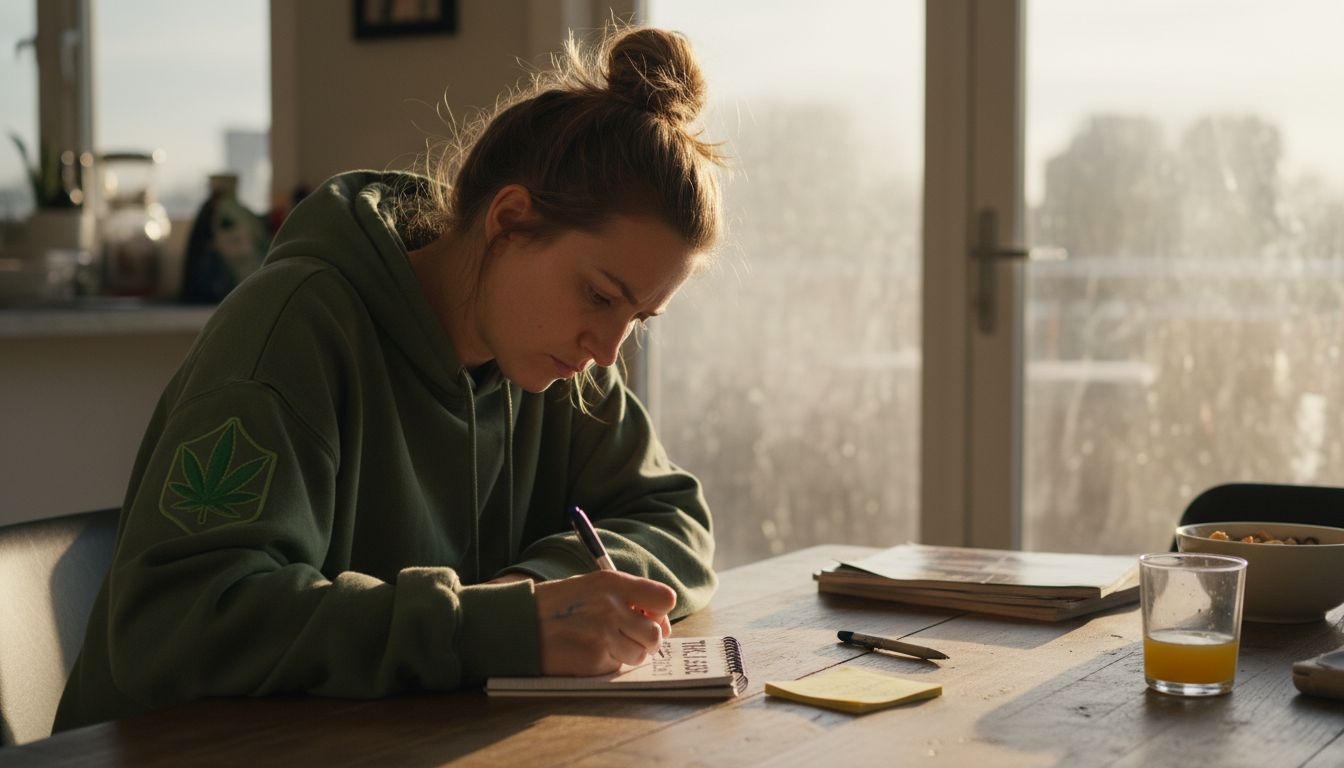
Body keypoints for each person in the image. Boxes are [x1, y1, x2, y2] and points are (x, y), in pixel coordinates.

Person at [54, 24, 724, 731]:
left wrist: (538, 589)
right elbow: (178, 625)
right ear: (509, 221)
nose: (609, 348)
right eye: (599, 293)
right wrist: (491, 626)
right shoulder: (291, 332)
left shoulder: (562, 360)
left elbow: (675, 517)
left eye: (639, 317)